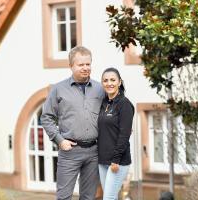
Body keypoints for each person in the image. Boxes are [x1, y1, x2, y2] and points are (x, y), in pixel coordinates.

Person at [41, 46, 105, 200]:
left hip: (94, 152)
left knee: (89, 197)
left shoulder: (100, 88)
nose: (85, 68)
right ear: (71, 66)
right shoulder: (58, 89)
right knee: (64, 197)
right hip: (70, 152)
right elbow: (46, 117)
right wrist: (59, 140)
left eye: (88, 64)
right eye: (80, 65)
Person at [97, 67, 135, 200]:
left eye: (113, 80)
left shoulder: (124, 104)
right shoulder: (103, 103)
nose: (109, 83)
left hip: (118, 161)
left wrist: (116, 159)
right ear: (102, 84)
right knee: (109, 197)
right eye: (105, 81)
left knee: (109, 197)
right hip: (102, 160)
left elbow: (125, 134)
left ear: (119, 82)